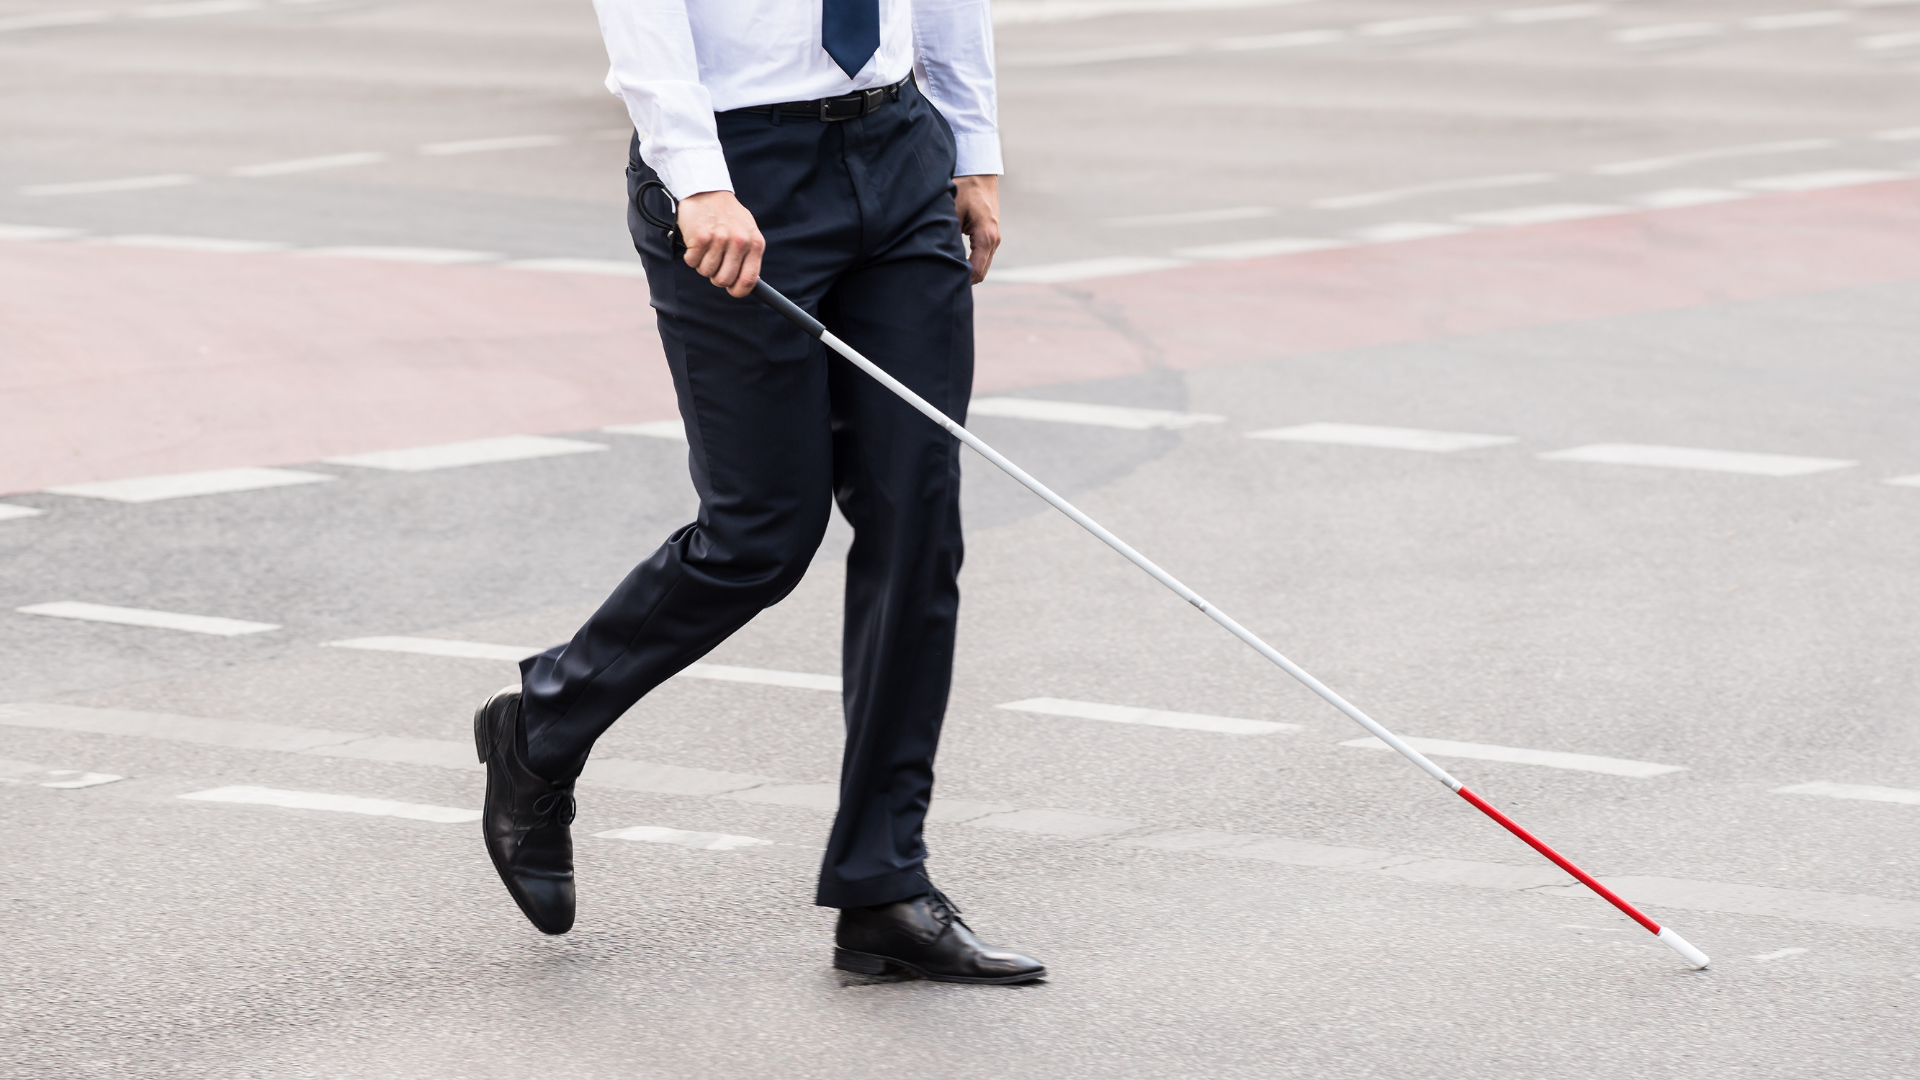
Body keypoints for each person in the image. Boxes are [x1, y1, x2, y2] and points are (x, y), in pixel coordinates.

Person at [472, 0, 1046, 984]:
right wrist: (694, 175)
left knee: (918, 522)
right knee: (762, 533)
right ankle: (542, 723)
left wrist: (974, 146)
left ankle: (884, 887)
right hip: (740, 174)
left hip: (901, 148)